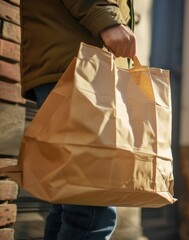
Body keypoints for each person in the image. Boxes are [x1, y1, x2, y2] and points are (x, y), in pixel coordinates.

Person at [20, 1, 136, 239]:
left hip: (77, 58)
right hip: (80, 62)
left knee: (72, 198)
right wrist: (105, 17)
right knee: (92, 204)